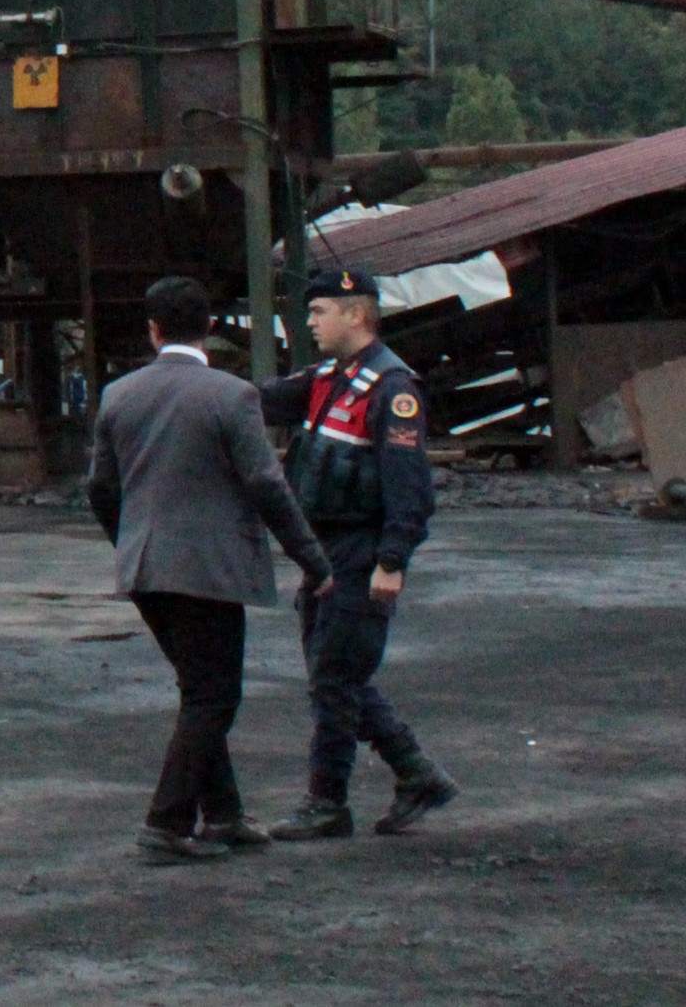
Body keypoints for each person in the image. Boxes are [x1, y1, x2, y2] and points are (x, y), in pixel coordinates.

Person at [88, 274, 339, 865]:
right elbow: (264, 484)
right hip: (209, 570)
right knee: (213, 697)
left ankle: (223, 815)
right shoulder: (231, 395)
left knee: (200, 689)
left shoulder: (118, 395)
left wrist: (129, 541)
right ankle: (166, 822)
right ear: (209, 329)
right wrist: (313, 559)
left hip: (146, 568)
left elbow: (100, 486)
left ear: (153, 331)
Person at [259, 265, 460, 841]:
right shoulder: (328, 378)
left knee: (334, 677)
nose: (310, 321)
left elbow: (410, 489)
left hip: (361, 549)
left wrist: (392, 560)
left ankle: (327, 805)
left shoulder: (392, 390)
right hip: (324, 552)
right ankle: (416, 773)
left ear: (356, 313)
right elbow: (262, 400)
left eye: (319, 311)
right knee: (335, 675)